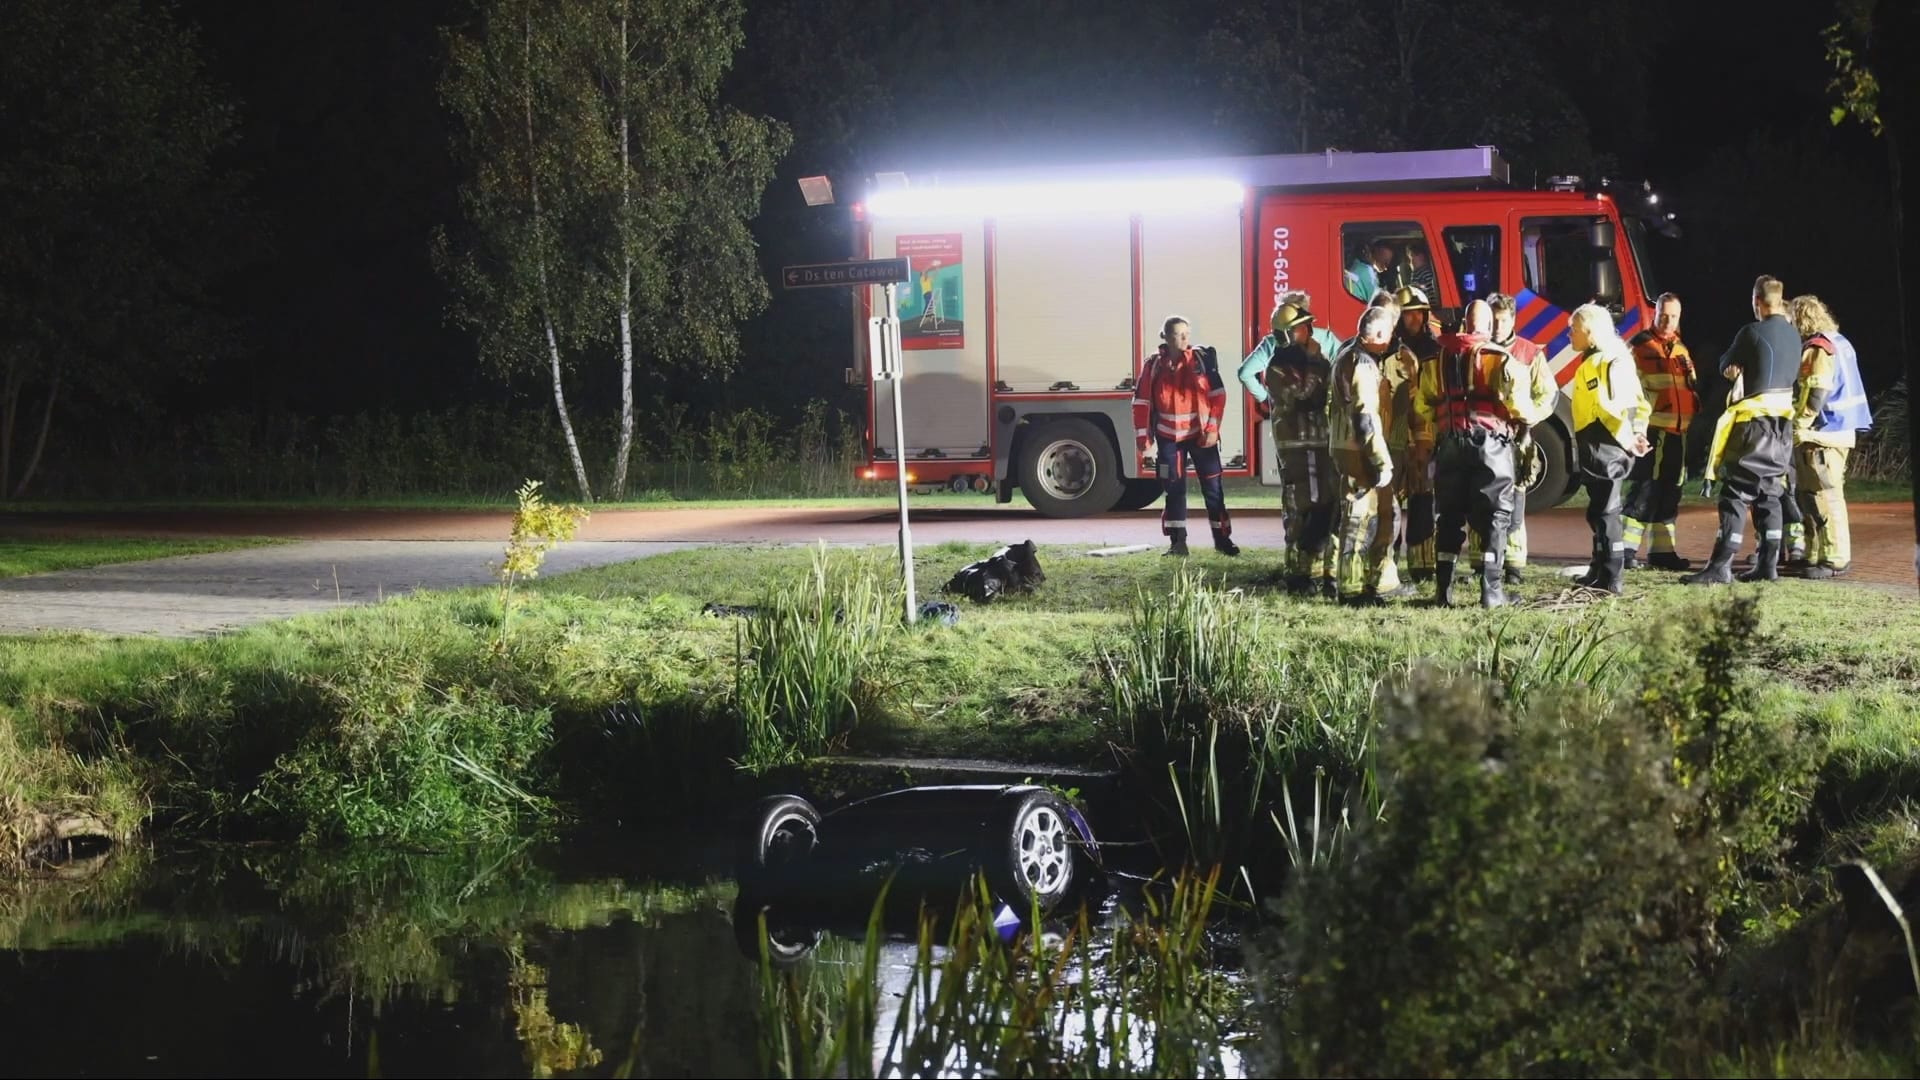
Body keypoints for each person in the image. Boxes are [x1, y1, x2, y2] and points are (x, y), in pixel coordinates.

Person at [1412, 299, 1539, 607]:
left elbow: (1422, 405)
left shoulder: (1437, 359)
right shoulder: (1500, 358)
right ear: (1488, 326)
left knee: (1449, 517)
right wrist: (1522, 430)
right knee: (1496, 516)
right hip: (1491, 446)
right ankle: (1492, 592)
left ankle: (1443, 592)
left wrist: (1445, 424)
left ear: (1465, 324)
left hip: (1450, 444)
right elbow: (1520, 406)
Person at [1685, 275, 1801, 585]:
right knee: (1769, 494)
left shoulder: (1751, 332)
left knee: (1735, 494)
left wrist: (1734, 368)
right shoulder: (1795, 336)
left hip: (1753, 427)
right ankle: (1768, 565)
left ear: (1757, 301)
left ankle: (1720, 566)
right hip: (1782, 428)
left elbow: (1726, 363)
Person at [1249, 301, 1339, 593]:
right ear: (1287, 335)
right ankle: (1297, 574)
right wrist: (1315, 361)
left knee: (1325, 504)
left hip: (1320, 443)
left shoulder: (1315, 361)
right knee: (1299, 507)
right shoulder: (1277, 368)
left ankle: (1317, 569)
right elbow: (1304, 397)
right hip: (1295, 447)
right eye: (1302, 328)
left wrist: (1319, 362)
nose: (1309, 332)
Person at [1133, 315, 1239, 557]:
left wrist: (1212, 430)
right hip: (1168, 440)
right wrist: (1143, 438)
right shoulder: (1153, 365)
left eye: (1186, 334)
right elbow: (1141, 402)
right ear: (1165, 337)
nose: (1184, 338)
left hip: (1201, 437)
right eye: (1178, 334)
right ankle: (1177, 544)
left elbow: (1218, 395)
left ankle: (1223, 540)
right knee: (1173, 490)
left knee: (1213, 489)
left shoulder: (1201, 360)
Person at [1566, 304, 1652, 594]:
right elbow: (1639, 404)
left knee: (1605, 512)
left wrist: (1629, 439)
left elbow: (1607, 408)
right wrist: (1637, 433)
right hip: (1609, 442)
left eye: (1574, 329)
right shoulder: (1617, 358)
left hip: (1603, 443)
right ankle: (1600, 568)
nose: (1569, 334)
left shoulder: (1597, 363)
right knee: (1600, 510)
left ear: (1590, 333)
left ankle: (1612, 575)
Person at [1787, 294, 1873, 578]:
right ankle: (1815, 554)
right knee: (1810, 495)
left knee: (1824, 495)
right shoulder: (1839, 341)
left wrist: (1799, 425)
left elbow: (1816, 393)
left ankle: (1834, 558)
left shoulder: (1817, 348)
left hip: (1823, 434)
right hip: (1839, 429)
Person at [1327, 306, 1399, 605]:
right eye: (1389, 333)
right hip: (1358, 451)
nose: (1391, 339)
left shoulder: (1346, 355)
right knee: (1358, 520)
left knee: (1370, 515)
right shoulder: (1363, 364)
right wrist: (1381, 460)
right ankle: (1352, 590)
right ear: (1378, 333)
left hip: (1345, 446)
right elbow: (1365, 416)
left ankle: (1369, 583)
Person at [1621, 293, 1698, 570]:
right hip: (1651, 430)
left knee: (1670, 490)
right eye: (1663, 315)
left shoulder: (1680, 349)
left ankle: (1662, 553)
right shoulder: (1639, 346)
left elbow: (1689, 386)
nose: (1668, 321)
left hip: (1678, 431)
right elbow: (1628, 388)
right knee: (1644, 489)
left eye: (1674, 316)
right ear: (1655, 314)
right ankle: (1624, 550)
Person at [1487, 292, 1554, 585]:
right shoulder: (1479, 348)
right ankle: (1484, 562)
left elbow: (1548, 394)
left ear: (1513, 320)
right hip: (1487, 436)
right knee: (1486, 498)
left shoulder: (1529, 352)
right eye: (1493, 320)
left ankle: (1513, 566)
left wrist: (1529, 418)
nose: (1497, 326)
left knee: (1515, 500)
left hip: (1517, 438)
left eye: (1503, 320)